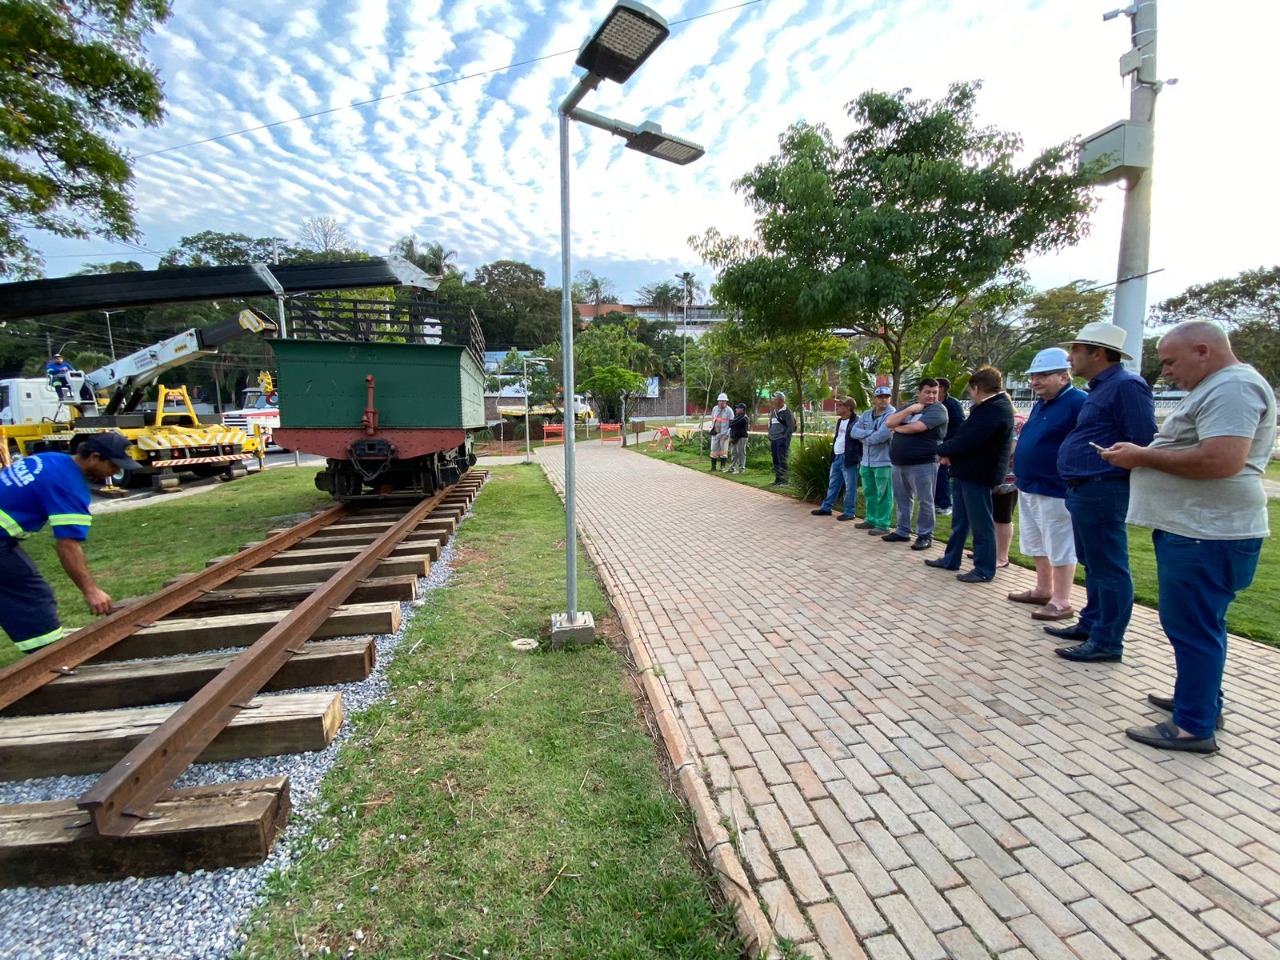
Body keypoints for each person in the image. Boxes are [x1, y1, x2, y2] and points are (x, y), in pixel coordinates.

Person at [1101, 321, 1275, 754]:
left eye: (1170, 362)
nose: (1167, 373)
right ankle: (1199, 701)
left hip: (1207, 533)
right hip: (1198, 529)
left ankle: (1192, 726)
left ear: (1203, 351)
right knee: (1198, 625)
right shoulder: (1221, 386)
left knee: (1193, 627)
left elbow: (1221, 460)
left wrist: (1142, 456)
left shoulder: (1232, 388)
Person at [1045, 322, 1156, 663]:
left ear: (1099, 353)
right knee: (1093, 564)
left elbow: (1143, 439)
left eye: (1077, 350)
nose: (1070, 356)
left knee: (1109, 567)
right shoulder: (1100, 388)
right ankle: (1091, 624)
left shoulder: (1126, 386)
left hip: (1103, 488)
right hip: (1084, 488)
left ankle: (1108, 640)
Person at [0, 432, 137, 655]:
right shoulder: (69, 486)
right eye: (114, 465)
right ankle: (48, 659)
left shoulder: (51, 458)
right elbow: (68, 544)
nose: (117, 471)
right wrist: (91, 591)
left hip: (4, 541)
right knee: (33, 595)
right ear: (94, 457)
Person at [1008, 347, 1086, 622]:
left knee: (1059, 542)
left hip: (1056, 486)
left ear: (1064, 376)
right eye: (1033, 376)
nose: (1035, 381)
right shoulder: (1042, 402)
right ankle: (1043, 588)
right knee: (1036, 541)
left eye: (1042, 375)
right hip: (1030, 483)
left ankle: (1062, 600)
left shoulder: (1078, 402)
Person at [924, 366, 1014, 581]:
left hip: (979, 473)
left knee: (981, 524)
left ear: (977, 388)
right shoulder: (987, 407)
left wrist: (942, 450)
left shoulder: (995, 409)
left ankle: (984, 569)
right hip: (966, 470)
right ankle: (951, 559)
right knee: (961, 520)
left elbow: (969, 439)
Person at [882, 378, 948, 550]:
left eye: (935, 392)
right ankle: (903, 531)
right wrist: (911, 409)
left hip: (923, 463)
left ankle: (925, 534)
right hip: (899, 462)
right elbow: (889, 422)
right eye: (927, 392)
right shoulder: (909, 407)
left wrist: (898, 428)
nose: (932, 396)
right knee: (902, 498)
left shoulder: (939, 410)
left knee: (925, 500)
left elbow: (918, 427)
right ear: (919, 392)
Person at [852, 386, 896, 534]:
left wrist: (864, 436)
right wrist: (870, 434)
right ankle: (870, 519)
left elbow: (882, 436)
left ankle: (883, 524)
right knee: (869, 492)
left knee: (884, 494)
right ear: (874, 399)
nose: (883, 399)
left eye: (886, 396)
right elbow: (854, 431)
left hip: (884, 461)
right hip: (866, 461)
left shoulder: (892, 414)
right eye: (880, 396)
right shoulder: (866, 414)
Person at [811, 397, 861, 519]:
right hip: (837, 457)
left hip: (849, 458)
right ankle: (826, 507)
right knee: (833, 484)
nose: (837, 408)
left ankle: (849, 512)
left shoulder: (856, 421)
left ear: (848, 407)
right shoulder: (840, 421)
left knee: (850, 486)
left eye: (840, 405)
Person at [990, 412, 1026, 569]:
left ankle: (1002, 557)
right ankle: (991, 551)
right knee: (991, 516)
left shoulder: (1016, 422)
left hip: (1008, 480)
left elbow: (1011, 447)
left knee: (1003, 518)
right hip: (992, 477)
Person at [933, 377, 966, 516]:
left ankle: (946, 504)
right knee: (934, 474)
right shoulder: (932, 404)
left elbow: (959, 425)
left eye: (936, 388)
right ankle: (936, 502)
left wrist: (948, 444)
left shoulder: (953, 404)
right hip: (935, 444)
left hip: (947, 444)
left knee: (942, 473)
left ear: (943, 389)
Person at [767, 391, 796, 485]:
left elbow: (790, 426)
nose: (774, 401)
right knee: (775, 460)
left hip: (782, 439)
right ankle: (778, 479)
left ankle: (784, 480)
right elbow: (771, 424)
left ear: (781, 400)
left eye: (775, 399)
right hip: (774, 439)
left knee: (782, 460)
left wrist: (784, 437)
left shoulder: (787, 412)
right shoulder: (774, 412)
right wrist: (770, 435)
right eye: (773, 399)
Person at [708, 393, 733, 472]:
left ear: (726, 401)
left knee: (724, 451)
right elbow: (713, 419)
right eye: (720, 401)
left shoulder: (729, 411)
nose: (721, 402)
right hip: (715, 432)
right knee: (713, 450)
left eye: (723, 401)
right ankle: (713, 467)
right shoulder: (715, 409)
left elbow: (732, 424)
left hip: (724, 433)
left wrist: (728, 434)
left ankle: (722, 467)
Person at [727, 402, 750, 474]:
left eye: (738, 408)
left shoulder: (743, 417)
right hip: (735, 437)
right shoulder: (737, 416)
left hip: (741, 437)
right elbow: (731, 424)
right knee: (734, 453)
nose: (736, 409)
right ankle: (732, 468)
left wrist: (731, 423)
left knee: (741, 453)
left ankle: (741, 469)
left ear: (742, 409)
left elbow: (731, 424)